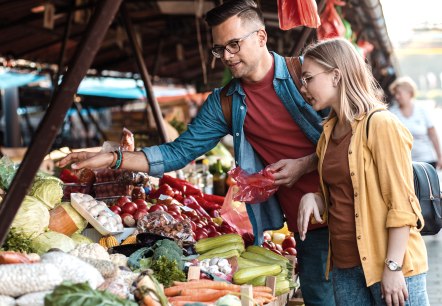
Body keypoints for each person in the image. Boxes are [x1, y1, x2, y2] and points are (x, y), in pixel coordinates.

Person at [58, 1, 335, 304]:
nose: (226, 57)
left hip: (351, 211)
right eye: (219, 49)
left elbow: (359, 135)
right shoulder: (226, 103)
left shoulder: (306, 75)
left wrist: (306, 164)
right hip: (307, 227)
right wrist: (114, 158)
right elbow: (179, 152)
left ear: (261, 37)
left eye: (234, 44)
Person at [296, 37, 429, 306]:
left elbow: (402, 203)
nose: (302, 88)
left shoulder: (381, 125)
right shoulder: (328, 133)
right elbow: (342, 193)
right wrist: (314, 198)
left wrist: (393, 267)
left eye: (308, 78)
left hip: (387, 265)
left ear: (336, 75)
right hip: (345, 269)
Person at [389, 76, 442, 169]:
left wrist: (440, 156)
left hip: (428, 161)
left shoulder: (422, 110)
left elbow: (433, 134)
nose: (396, 97)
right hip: (406, 163)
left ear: (409, 93)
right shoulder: (393, 113)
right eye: (395, 94)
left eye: (399, 93)